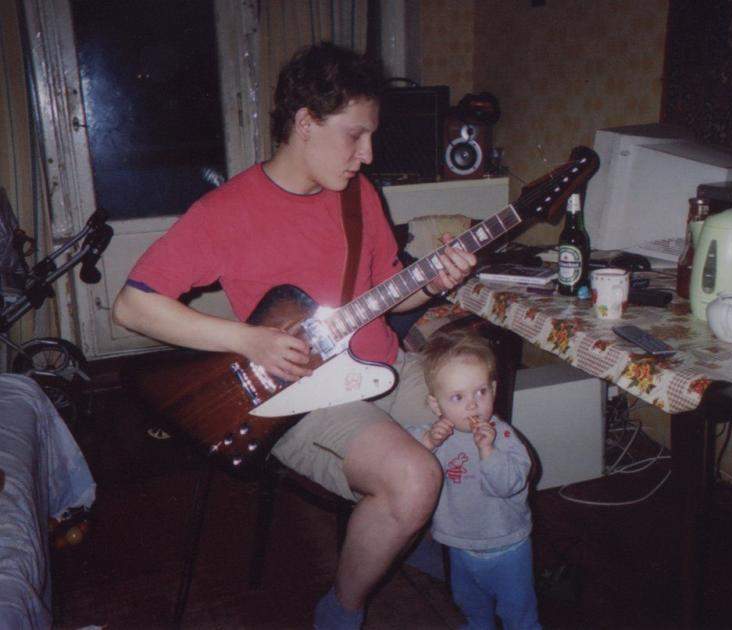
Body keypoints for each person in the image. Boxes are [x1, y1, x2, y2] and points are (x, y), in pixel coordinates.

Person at [111, 42, 476, 629]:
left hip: (383, 365)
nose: (368, 154)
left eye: (371, 136)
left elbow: (388, 290)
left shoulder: (360, 194)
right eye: (355, 135)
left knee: (485, 434)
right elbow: (133, 307)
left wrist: (434, 282)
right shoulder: (227, 210)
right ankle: (343, 607)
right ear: (305, 123)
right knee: (412, 478)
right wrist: (247, 340)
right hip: (303, 394)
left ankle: (407, 534)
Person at [406, 327, 540, 630]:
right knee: (469, 603)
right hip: (459, 544)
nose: (472, 405)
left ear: (494, 390)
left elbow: (510, 484)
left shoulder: (503, 437)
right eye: (457, 397)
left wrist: (488, 452)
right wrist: (427, 442)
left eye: (481, 392)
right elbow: (401, 455)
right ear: (436, 405)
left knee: (518, 611)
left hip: (507, 545)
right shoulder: (435, 434)